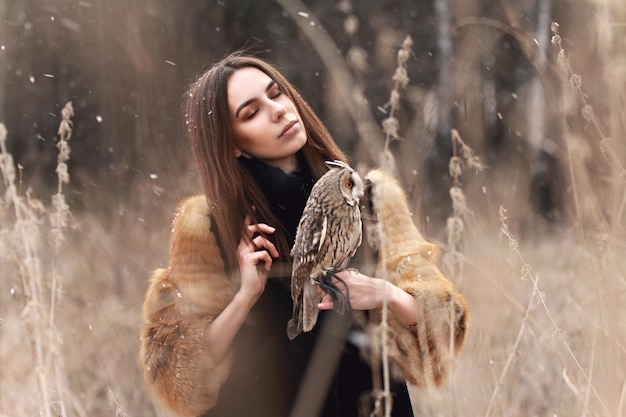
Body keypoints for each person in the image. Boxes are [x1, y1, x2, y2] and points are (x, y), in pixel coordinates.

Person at [139, 52, 467, 417]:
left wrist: (385, 293)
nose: (277, 110)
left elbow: (441, 336)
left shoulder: (370, 199)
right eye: (251, 112)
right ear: (230, 142)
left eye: (276, 94)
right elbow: (177, 377)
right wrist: (246, 295)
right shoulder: (211, 228)